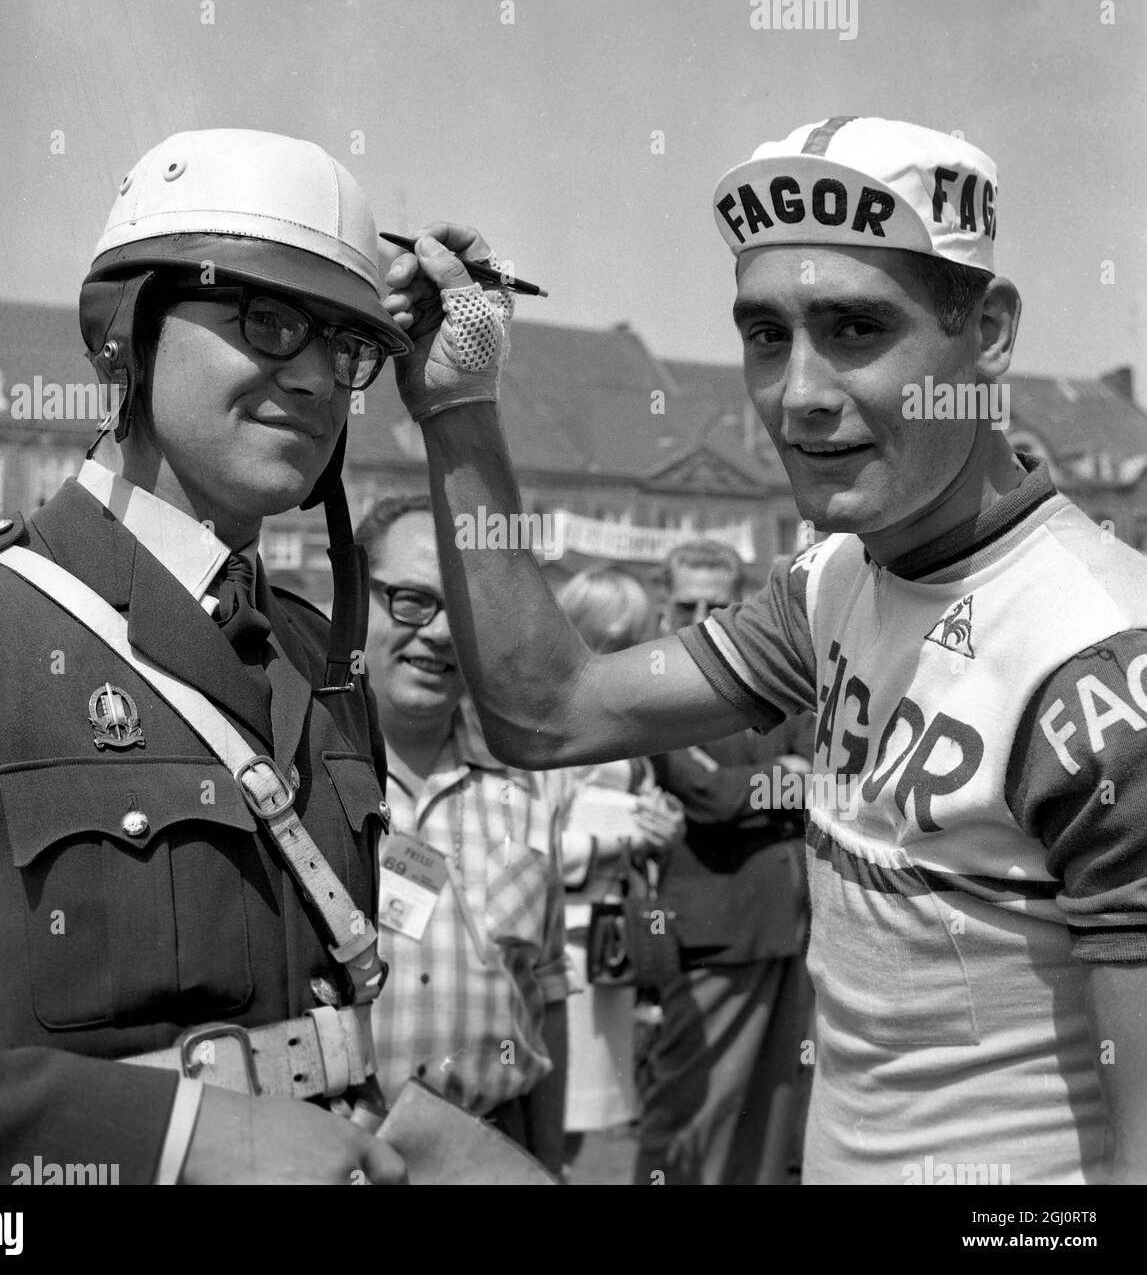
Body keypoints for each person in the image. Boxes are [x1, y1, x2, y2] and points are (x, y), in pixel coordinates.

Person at [379, 116, 1147, 1184]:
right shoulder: (833, 580)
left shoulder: (1101, 667)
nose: (799, 395)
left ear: (992, 331)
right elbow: (549, 708)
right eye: (766, 334)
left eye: (857, 329)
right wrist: (459, 405)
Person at [0, 129, 412, 1185]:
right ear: (129, 335)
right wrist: (181, 1139)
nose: (312, 380)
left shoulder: (322, 655)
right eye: (267, 321)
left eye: (346, 350)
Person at [358, 494, 571, 1174]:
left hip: (488, 1151)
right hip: (337, 1148)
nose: (441, 633)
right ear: (349, 598)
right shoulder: (293, 782)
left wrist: (547, 1165)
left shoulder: (520, 791)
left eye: (464, 613)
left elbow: (546, 994)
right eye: (412, 601)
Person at [637, 540, 815, 1186]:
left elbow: (820, 768)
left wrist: (780, 779)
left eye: (718, 604)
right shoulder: (653, 687)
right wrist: (782, 778)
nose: (701, 615)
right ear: (662, 605)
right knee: (691, 1110)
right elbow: (703, 793)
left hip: (784, 926)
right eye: (687, 603)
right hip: (708, 931)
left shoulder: (772, 683)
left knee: (773, 1112)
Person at [553, 566, 683, 1174]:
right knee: (555, 1117)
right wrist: (620, 836)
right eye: (605, 638)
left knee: (589, 1126)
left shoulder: (627, 727)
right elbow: (530, 851)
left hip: (612, 948)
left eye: (631, 639)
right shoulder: (545, 731)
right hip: (559, 953)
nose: (619, 654)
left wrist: (661, 832)